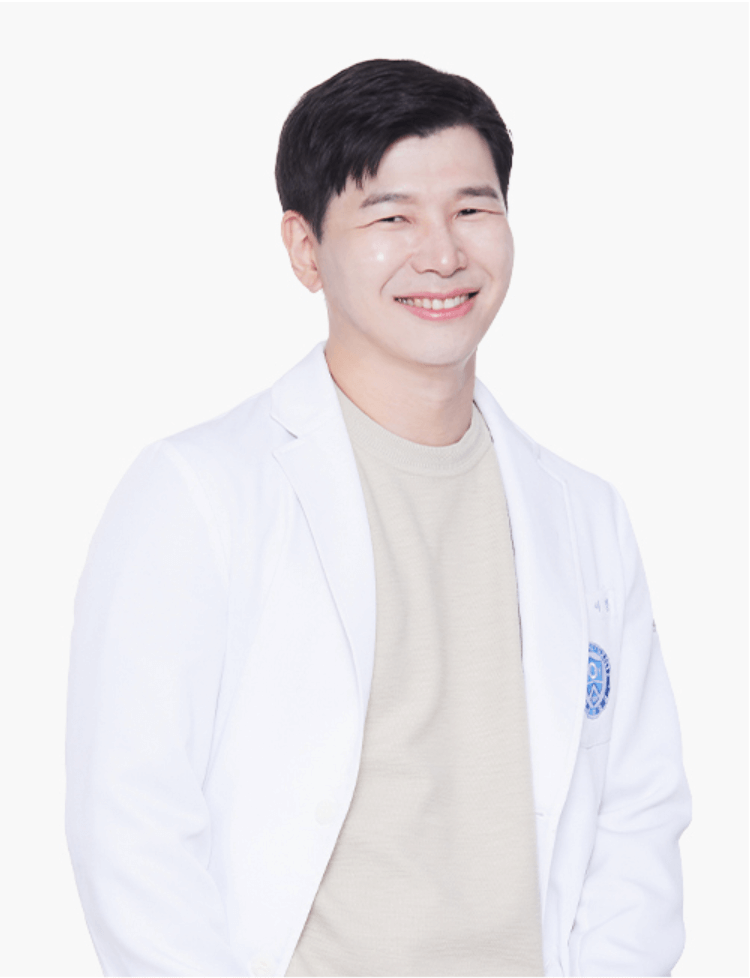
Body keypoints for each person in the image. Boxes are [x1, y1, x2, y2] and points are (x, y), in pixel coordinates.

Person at [65, 59, 691, 978]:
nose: (442, 254)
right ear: (305, 248)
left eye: (472, 209)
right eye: (391, 217)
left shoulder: (584, 513)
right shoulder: (196, 492)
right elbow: (131, 823)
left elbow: (638, 809)